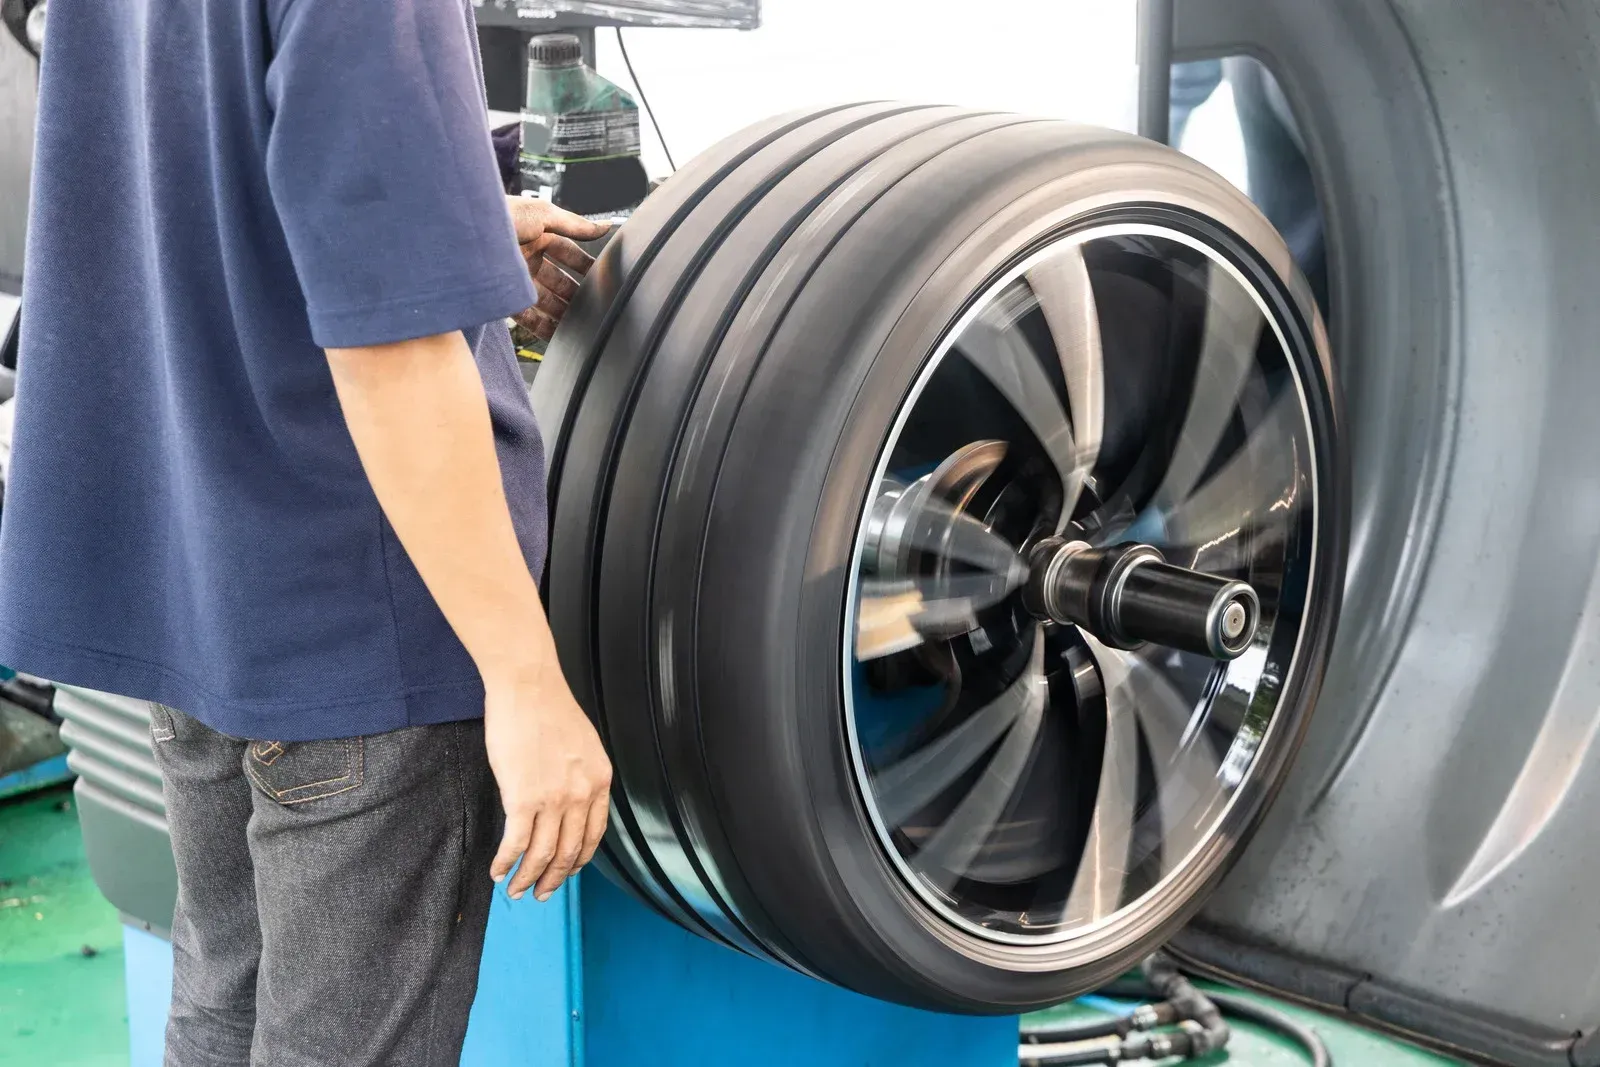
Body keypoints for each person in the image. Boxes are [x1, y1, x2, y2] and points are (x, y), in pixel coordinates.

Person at [0, 1, 614, 1064]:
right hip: (353, 619)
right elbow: (394, 355)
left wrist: (449, 222)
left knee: (220, 1003)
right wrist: (526, 683)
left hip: (201, 573)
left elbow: (178, 156)